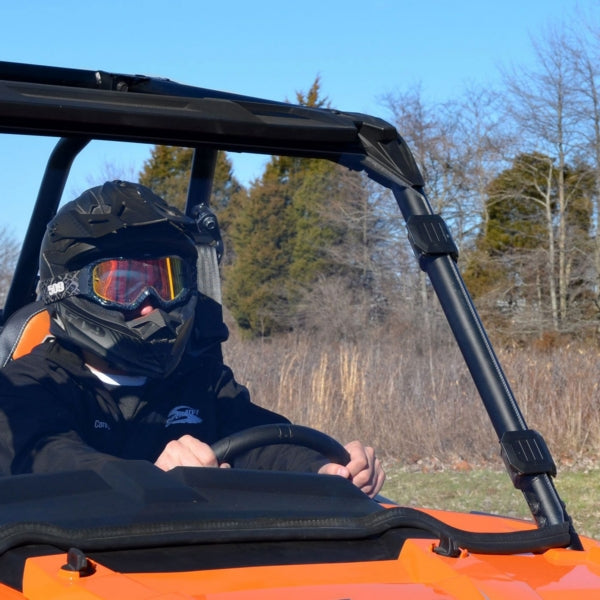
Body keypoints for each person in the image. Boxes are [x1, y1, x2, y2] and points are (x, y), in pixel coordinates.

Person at [0, 181, 385, 497]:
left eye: (166, 283)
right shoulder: (26, 386)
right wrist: (151, 478)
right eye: (123, 286)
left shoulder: (201, 381)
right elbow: (49, 457)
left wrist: (325, 467)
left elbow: (261, 441)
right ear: (64, 289)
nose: (151, 305)